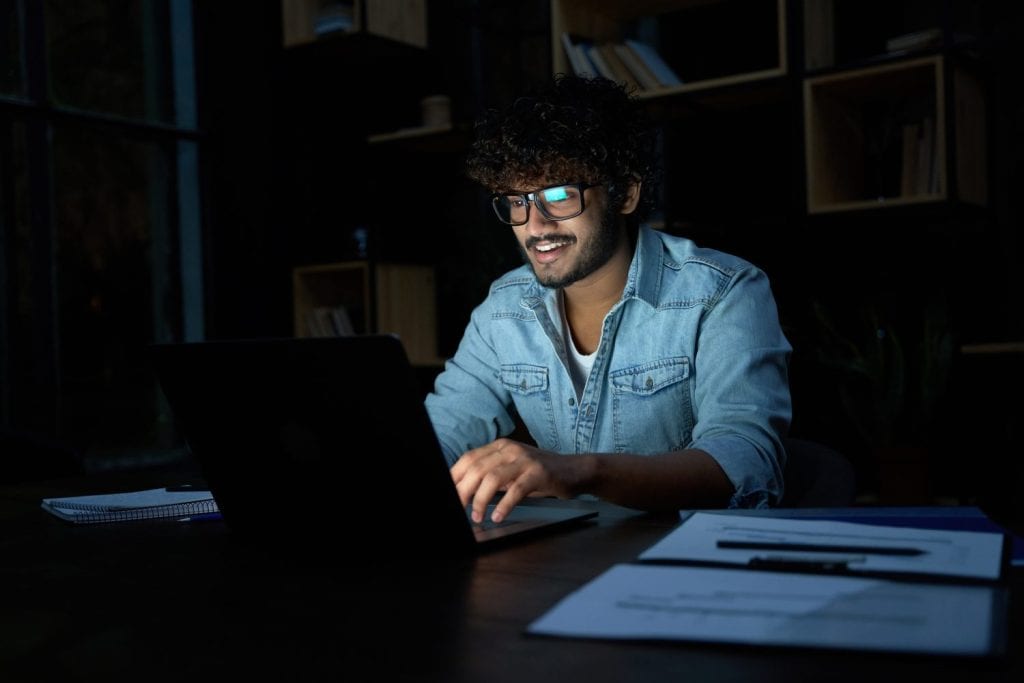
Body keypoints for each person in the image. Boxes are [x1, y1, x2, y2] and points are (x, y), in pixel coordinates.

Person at [425, 75, 792, 524]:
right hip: (561, 561)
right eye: (517, 202)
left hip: (682, 561)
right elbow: (440, 436)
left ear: (625, 194)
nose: (535, 226)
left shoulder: (722, 291)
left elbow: (744, 463)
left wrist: (581, 472)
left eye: (559, 196)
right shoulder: (503, 309)